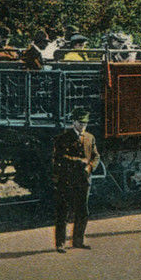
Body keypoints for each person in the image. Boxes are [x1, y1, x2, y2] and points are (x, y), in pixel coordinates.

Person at [52, 107, 100, 253]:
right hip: (67, 179)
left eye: (85, 123)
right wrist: (79, 161)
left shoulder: (90, 138)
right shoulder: (63, 138)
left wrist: (90, 167)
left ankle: (78, 241)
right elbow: (59, 158)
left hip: (84, 180)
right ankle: (60, 244)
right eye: (80, 123)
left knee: (82, 211)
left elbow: (96, 156)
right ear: (73, 122)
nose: (83, 126)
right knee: (63, 212)